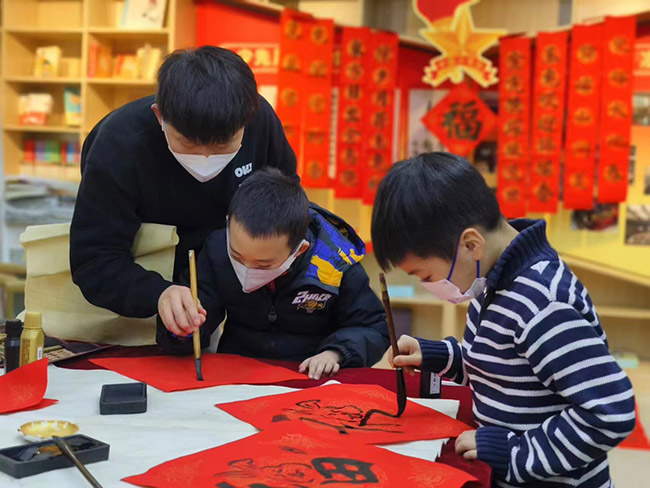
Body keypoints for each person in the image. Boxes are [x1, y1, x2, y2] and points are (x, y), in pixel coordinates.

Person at [371, 152, 635, 487]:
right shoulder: (491, 280)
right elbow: (505, 369)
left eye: (426, 275)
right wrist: (439, 356)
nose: (428, 286)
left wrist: (513, 452)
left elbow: (611, 412)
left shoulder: (541, 303)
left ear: (471, 244)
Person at [70, 46, 297, 337]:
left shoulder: (259, 120)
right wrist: (157, 293)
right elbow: (95, 258)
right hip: (141, 286)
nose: (205, 158)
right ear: (159, 116)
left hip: (237, 277)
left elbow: (286, 209)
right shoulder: (118, 144)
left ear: (247, 120)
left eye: (222, 145)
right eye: (188, 144)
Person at [157, 168, 390, 379]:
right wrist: (182, 329)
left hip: (309, 375)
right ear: (229, 226)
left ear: (299, 250)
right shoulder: (217, 248)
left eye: (263, 264)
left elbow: (374, 327)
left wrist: (336, 353)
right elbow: (200, 313)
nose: (247, 269)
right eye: (237, 257)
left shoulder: (336, 261)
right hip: (238, 374)